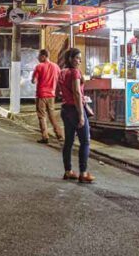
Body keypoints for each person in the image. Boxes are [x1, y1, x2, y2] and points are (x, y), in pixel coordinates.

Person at [58, 48, 95, 183]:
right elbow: (77, 93)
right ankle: (83, 173)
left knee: (68, 141)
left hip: (65, 108)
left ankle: (68, 171)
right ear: (70, 59)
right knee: (85, 141)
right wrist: (80, 114)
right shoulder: (75, 73)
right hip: (75, 108)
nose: (79, 60)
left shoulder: (62, 72)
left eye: (80, 58)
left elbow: (59, 92)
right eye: (77, 58)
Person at [32, 49, 63, 144]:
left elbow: (34, 81)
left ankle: (45, 136)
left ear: (44, 56)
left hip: (41, 94)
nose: (37, 58)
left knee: (42, 116)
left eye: (39, 56)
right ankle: (60, 135)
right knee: (52, 115)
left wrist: (34, 79)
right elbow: (60, 80)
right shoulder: (56, 67)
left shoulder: (39, 67)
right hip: (52, 95)